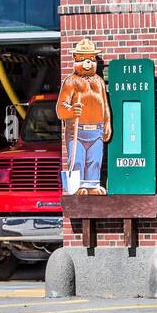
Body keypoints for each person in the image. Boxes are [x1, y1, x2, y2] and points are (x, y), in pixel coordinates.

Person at [56, 38, 112, 195]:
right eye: (83, 59)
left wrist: (107, 123)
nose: (88, 63)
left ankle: (92, 185)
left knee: (95, 159)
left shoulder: (99, 81)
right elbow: (61, 108)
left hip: (97, 130)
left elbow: (104, 104)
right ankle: (77, 186)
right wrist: (72, 110)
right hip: (77, 131)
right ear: (75, 60)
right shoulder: (71, 81)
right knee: (77, 159)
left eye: (91, 59)